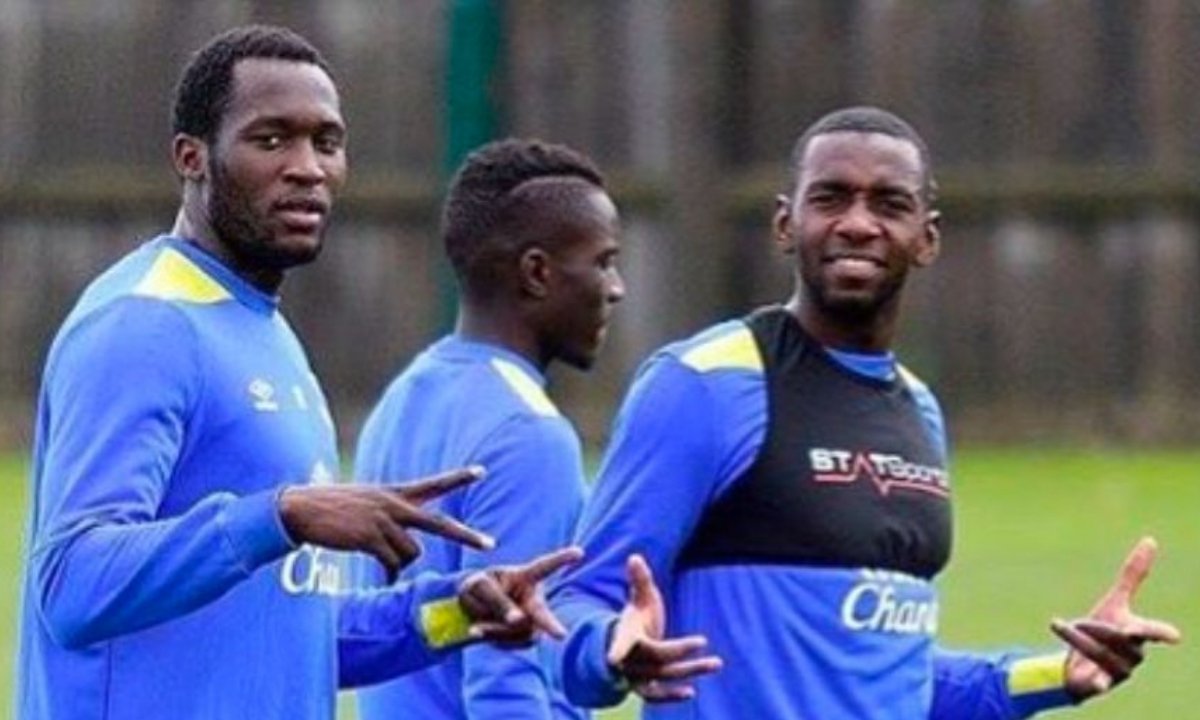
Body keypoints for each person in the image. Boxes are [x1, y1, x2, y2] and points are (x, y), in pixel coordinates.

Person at [15, 25, 580, 720]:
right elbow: (72, 585)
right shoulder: (145, 324)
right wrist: (282, 513)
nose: (308, 167)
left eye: (327, 142)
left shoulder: (264, 331)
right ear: (192, 157)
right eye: (272, 139)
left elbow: (290, 634)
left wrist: (454, 615)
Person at [549, 106, 1182, 718]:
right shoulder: (704, 385)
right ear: (785, 224)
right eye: (830, 198)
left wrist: (1059, 675)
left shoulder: (918, 409)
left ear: (927, 238)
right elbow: (576, 598)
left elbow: (893, 681)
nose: (857, 223)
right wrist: (606, 650)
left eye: (889, 204)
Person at [351, 137, 624, 719]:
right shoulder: (530, 434)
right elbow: (504, 676)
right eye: (603, 262)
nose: (616, 287)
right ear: (537, 273)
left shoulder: (402, 400)